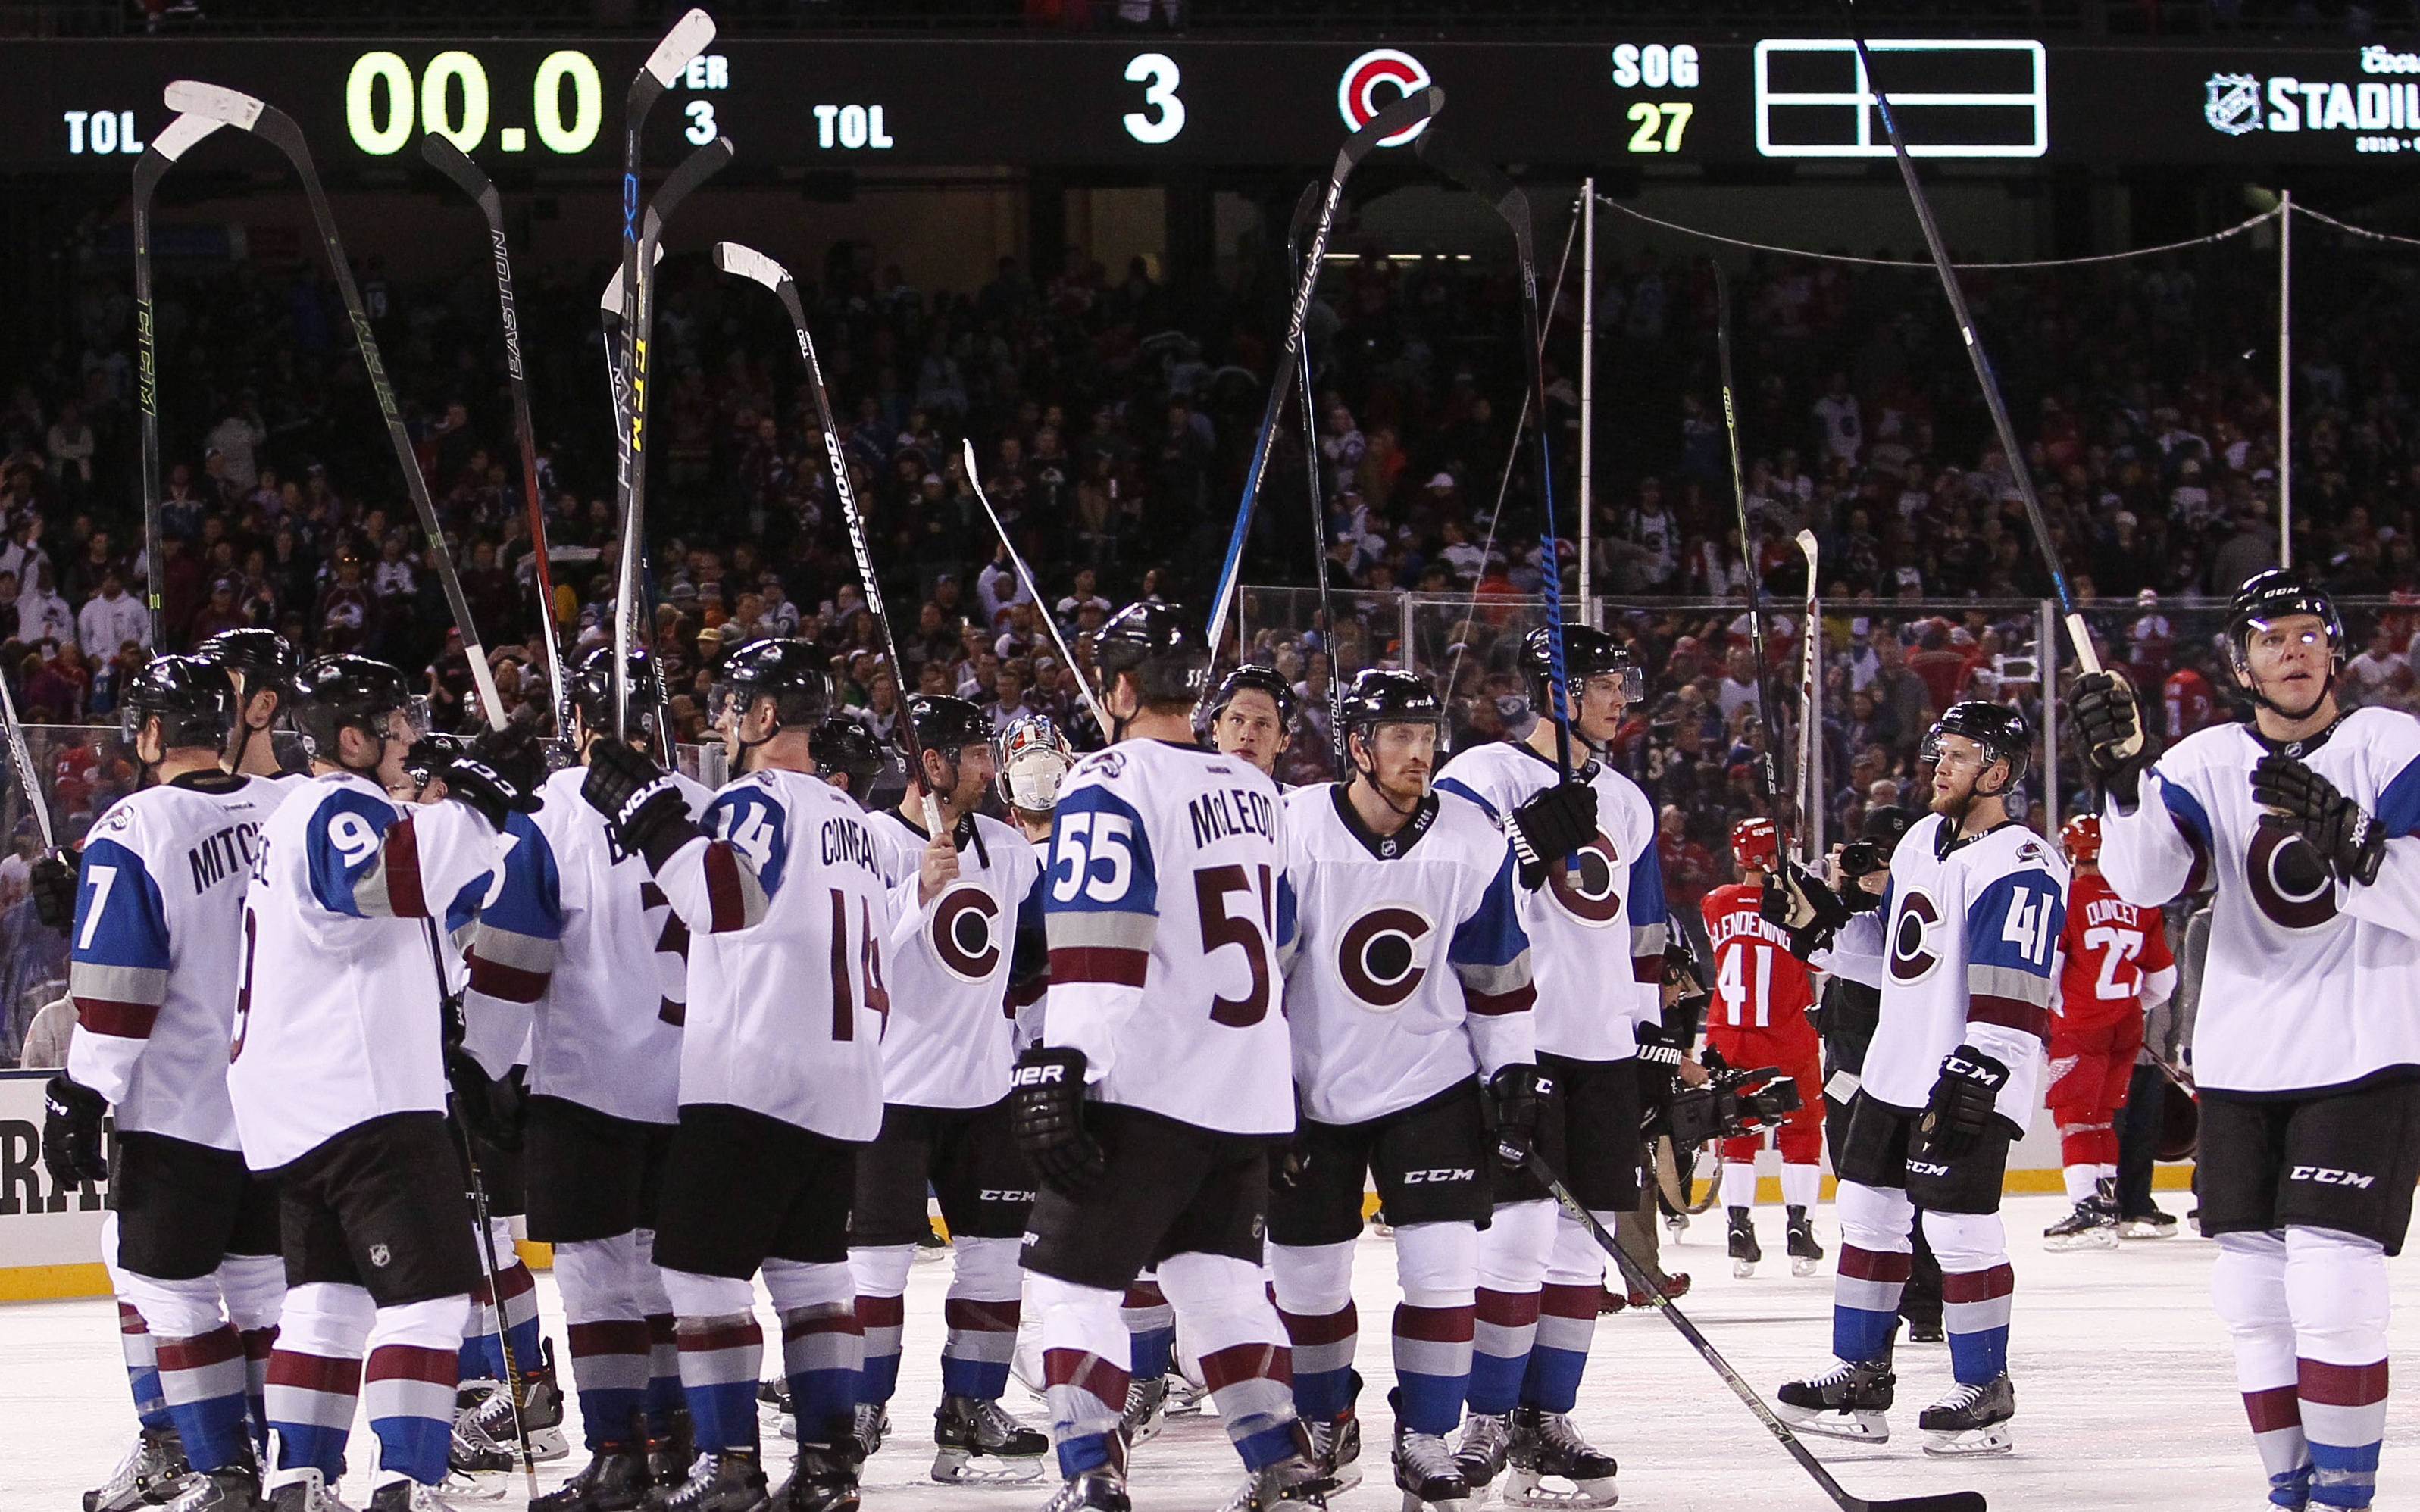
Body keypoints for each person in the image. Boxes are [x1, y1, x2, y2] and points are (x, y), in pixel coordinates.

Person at [2079, 568, 2420, 1511]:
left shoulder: (2393, 747)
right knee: (2250, 1288)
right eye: (2272, 638)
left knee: (2332, 1270)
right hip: (2241, 1055)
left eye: (2310, 633)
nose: (2295, 649)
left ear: (2336, 650)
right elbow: (2146, 882)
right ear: (2240, 661)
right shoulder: (2199, 762)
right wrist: (2117, 784)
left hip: (2364, 1048)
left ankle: (2346, 1497)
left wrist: (2358, 847)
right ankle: (2290, 1488)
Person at [1013, 601, 1319, 1512]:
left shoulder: (1106, 777)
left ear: (1113, 687)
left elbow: (1102, 938)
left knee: (1065, 1289)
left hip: (1148, 1082)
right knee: (1218, 1284)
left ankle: (1091, 1474)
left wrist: (1064, 1059)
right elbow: (1279, 929)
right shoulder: (1255, 790)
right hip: (1244, 1087)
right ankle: (1284, 1465)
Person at [577, 637, 894, 1512]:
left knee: (701, 1277)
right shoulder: (859, 824)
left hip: (756, 1073)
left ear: (762, 718)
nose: (720, 720)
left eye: (731, 705)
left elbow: (721, 902)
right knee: (812, 1278)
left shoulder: (756, 799)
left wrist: (649, 817)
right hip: (843, 1079)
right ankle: (831, 1470)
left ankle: (731, 1467)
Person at [226, 654, 547, 1512]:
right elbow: (382, 882)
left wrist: (484, 810)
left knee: (326, 1304)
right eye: (396, 724)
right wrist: (478, 802)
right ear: (352, 738)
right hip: (365, 1102)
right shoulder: (337, 806)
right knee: (431, 1300)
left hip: (300, 1107)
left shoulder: (312, 810)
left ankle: (298, 1481)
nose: (410, 736)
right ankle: (407, 1481)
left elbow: (426, 894)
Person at [1765, 701, 2066, 1457]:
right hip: (1893, 1066)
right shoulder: (1917, 843)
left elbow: (2013, 985)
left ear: (1996, 772)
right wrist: (1816, 931)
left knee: (1958, 1227)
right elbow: (1897, 963)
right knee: (1866, 1218)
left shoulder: (2021, 860)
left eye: (1957, 756)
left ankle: (1983, 1389)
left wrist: (1976, 1067)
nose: (1939, 766)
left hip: (1969, 1072)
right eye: (1938, 752)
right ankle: (1859, 1376)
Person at [1268, 668, 1538, 1512]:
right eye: (1398, 735)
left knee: (1443, 1272)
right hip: (1311, 1089)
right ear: (1356, 744)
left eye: (1424, 735)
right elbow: (1260, 973)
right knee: (1307, 1283)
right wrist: (1262, 1083)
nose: (1417, 752)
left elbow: (1495, 976)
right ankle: (1322, 1422)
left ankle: (1423, 1434)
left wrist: (1513, 1071)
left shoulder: (1471, 835)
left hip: (1430, 1081)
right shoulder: (1298, 827)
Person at [39, 658, 286, 1512]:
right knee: (264, 1290)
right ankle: (287, 1469)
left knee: (166, 1289)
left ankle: (219, 1472)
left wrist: (82, 1089)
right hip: (284, 1110)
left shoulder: (132, 827)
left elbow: (119, 995)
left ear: (147, 734)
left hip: (179, 1109)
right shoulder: (292, 807)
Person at [1430, 624, 1666, 1507]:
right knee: (1519, 1237)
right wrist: (1521, 851)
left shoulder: (1630, 802)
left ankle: (1546, 1418)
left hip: (1601, 1046)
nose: (1618, 697)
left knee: (1579, 1249)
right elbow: (1447, 895)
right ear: (1552, 690)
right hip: (1517, 1041)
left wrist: (1649, 1044)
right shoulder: (1480, 777)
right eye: (1603, 681)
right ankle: (1483, 1418)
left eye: (1621, 681)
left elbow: (1642, 938)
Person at [502, 647, 713, 1510]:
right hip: (690, 1084)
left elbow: (512, 953)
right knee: (665, 1274)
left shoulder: (549, 814)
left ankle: (619, 1449)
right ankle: (678, 1437)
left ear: (579, 721)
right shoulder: (699, 806)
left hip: (586, 1085)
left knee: (594, 1276)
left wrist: (491, 1060)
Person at [849, 694, 1049, 1484]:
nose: (987, 767)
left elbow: (1033, 960)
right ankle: (861, 1407)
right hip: (891, 1092)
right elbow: (847, 951)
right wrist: (912, 895)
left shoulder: (1008, 847)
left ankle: (972, 1406)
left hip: (985, 1089)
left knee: (995, 1263)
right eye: (973, 754)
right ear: (931, 765)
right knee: (877, 1269)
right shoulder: (869, 841)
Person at [1804, 806, 1943, 1342]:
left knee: (1915, 1193)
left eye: (1886, 852)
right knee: (1859, 1193)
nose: (1871, 863)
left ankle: (1926, 1302)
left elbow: (1891, 964)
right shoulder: (1849, 910)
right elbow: (1819, 953)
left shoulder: (1922, 900)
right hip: (1846, 1068)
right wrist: (1836, 893)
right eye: (1867, 851)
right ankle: (1880, 1304)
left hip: (1903, 1071)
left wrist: (1890, 888)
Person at [2040, 813, 2176, 1252]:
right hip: (2126, 1026)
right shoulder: (2141, 901)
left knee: (2076, 1119)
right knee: (2101, 1118)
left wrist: (2052, 1010)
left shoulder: (2066, 898)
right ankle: (2107, 1203)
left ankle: (2086, 1209)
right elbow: (2163, 980)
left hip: (2080, 1023)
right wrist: (2128, 1005)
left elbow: (2049, 971)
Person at [1699, 817, 1825, 1279]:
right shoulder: (1795, 908)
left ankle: (1738, 1230)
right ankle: (1798, 1229)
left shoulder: (1715, 902)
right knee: (1801, 1135)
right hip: (1787, 1033)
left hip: (1728, 1034)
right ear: (1776, 858)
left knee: (1737, 1135)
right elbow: (1821, 955)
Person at [197, 629, 303, 786]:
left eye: (222, 692)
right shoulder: (179, 797)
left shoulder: (300, 800)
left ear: (264, 706)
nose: (203, 705)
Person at [1206, 664, 1294, 781]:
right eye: (1237, 720)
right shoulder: (1182, 796)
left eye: (1262, 724)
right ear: (1216, 730)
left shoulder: (1300, 799)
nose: (1247, 735)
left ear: (1284, 742)